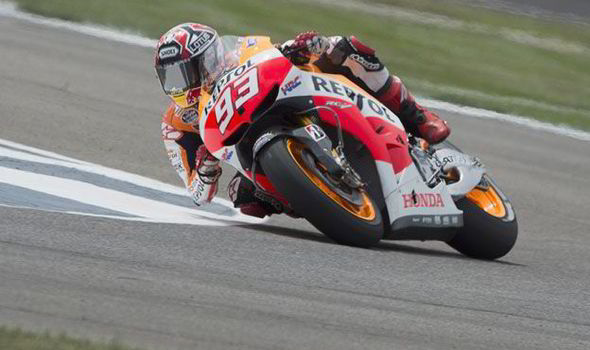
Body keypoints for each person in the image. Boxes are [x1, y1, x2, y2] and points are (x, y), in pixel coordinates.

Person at [155, 23, 450, 217]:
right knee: (244, 199)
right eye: (170, 78)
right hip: (248, 148)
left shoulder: (240, 51)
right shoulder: (175, 124)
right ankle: (316, 192)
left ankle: (416, 114)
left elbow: (271, 55)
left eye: (184, 73)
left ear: (207, 59)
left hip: (290, 94)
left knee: (343, 47)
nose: (178, 85)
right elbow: (197, 195)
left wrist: (303, 45)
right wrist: (206, 168)